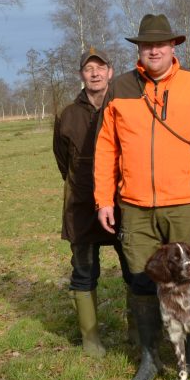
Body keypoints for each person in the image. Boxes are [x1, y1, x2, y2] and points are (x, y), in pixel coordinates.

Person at [94, 14, 190, 380]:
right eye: (146, 45)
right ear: (139, 49)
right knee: (142, 281)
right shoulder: (121, 88)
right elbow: (106, 148)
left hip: (186, 202)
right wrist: (104, 199)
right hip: (135, 206)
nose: (153, 50)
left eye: (160, 44)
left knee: (188, 281)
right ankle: (149, 358)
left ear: (173, 47)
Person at [53, 48, 133, 357]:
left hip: (125, 202)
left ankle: (138, 332)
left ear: (111, 72)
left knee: (134, 268)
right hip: (82, 206)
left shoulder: (125, 105)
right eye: (89, 69)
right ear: (81, 75)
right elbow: (63, 160)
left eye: (100, 68)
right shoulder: (67, 115)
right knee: (84, 272)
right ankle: (91, 340)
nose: (95, 73)